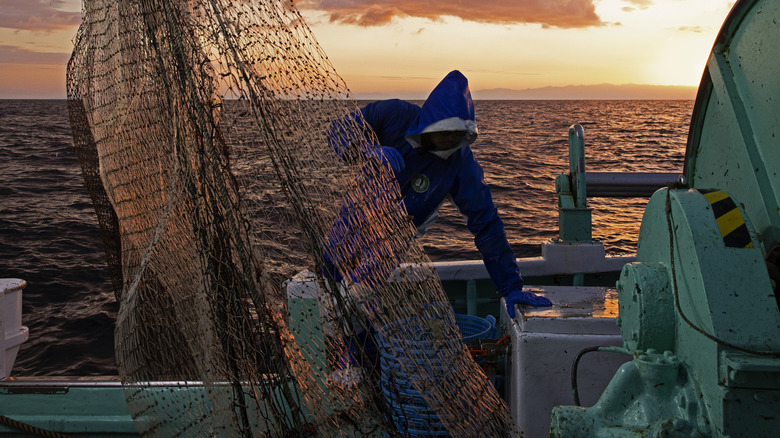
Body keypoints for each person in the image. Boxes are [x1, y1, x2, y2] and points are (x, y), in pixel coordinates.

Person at [328, 70, 552, 320]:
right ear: (430, 121)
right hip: (358, 210)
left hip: (399, 230)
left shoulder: (461, 165)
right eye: (445, 131)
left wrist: (512, 287)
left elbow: (487, 225)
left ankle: (357, 348)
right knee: (329, 271)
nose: (450, 140)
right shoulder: (393, 115)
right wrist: (366, 149)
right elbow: (338, 131)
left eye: (457, 135)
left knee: (359, 299)